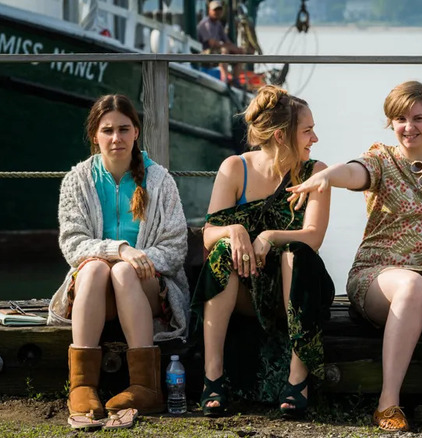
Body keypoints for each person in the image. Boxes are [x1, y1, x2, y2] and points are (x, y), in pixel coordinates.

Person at [288, 81, 422, 434]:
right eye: (400, 119)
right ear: (390, 122)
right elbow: (354, 172)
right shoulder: (382, 158)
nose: (408, 127)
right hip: (379, 272)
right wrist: (324, 177)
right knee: (412, 285)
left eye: (418, 118)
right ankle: (388, 402)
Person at [190, 85, 333, 418]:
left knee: (296, 253)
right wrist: (234, 229)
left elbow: (314, 237)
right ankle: (213, 377)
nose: (315, 138)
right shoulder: (234, 168)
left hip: (296, 290)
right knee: (222, 252)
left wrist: (269, 236)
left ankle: (298, 379)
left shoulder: (316, 172)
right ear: (282, 136)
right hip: (244, 290)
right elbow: (209, 234)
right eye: (308, 131)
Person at [48, 94, 189, 429]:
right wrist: (120, 249)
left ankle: (145, 386)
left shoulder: (159, 181)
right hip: (94, 289)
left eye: (124, 129)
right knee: (97, 267)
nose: (116, 138)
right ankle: (82, 386)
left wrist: (136, 259)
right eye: (107, 130)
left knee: (124, 272)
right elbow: (73, 244)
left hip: (147, 288)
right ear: (95, 135)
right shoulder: (78, 180)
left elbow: (175, 246)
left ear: (136, 132)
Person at [197, 0, 248, 84]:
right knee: (224, 51)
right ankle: (224, 78)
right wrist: (228, 47)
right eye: (215, 10)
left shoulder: (218, 24)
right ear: (209, 10)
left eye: (219, 10)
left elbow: (226, 41)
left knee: (240, 52)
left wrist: (237, 49)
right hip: (205, 52)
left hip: (217, 50)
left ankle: (235, 80)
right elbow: (212, 43)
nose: (217, 12)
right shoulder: (205, 24)